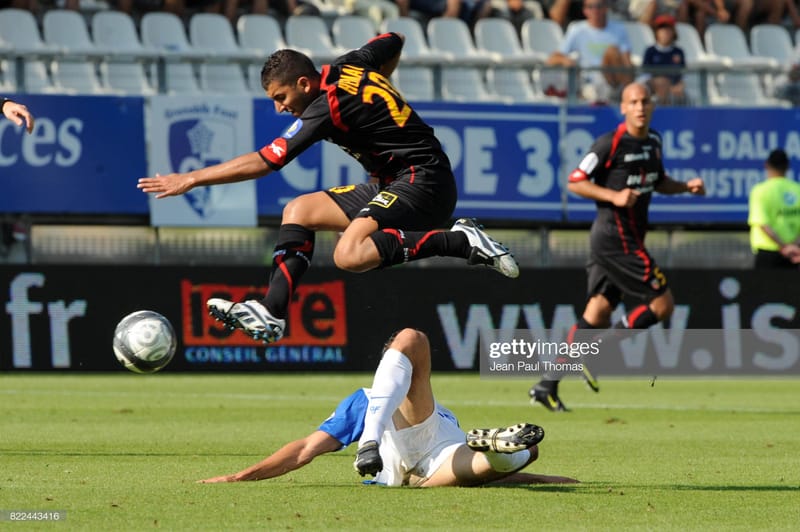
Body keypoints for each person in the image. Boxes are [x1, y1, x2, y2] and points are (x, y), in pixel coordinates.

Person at [138, 33, 518, 345]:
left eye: (281, 98)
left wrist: (191, 178)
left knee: (349, 254)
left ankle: (460, 241)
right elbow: (393, 39)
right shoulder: (350, 65)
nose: (280, 109)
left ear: (304, 84)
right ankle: (272, 309)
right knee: (299, 211)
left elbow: (267, 160)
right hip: (398, 181)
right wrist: (382, 84)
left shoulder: (326, 105)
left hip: (424, 180)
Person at [200, 328, 577, 487]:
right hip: (412, 445)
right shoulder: (365, 399)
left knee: (521, 452)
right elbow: (304, 450)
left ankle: (499, 447)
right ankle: (370, 439)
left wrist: (544, 478)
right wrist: (240, 476)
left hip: (434, 466)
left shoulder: (428, 407)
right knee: (413, 337)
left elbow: (304, 450)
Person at [529, 82, 706, 411]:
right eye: (633, 101)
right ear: (623, 107)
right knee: (663, 303)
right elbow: (576, 180)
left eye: (645, 101)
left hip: (624, 238)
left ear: (652, 105)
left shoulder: (654, 141)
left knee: (597, 313)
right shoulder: (610, 143)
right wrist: (614, 196)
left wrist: (685, 187)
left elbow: (658, 180)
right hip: (616, 238)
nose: (640, 107)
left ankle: (546, 385)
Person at [545, 0, 635, 103]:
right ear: (585, 10)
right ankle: (628, 95)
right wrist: (566, 60)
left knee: (613, 53)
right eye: (590, 7)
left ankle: (627, 94)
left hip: (615, 79)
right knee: (612, 52)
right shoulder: (577, 30)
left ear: (606, 8)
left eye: (598, 6)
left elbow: (626, 60)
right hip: (589, 82)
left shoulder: (619, 29)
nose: (595, 10)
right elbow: (553, 58)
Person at [747, 148, 800, 269]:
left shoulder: (760, 190)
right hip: (795, 253)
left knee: (767, 288)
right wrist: (793, 245)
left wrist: (784, 247)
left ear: (767, 165)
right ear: (787, 167)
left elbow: (762, 223)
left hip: (769, 253)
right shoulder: (797, 190)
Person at [642, 14, 687, 105]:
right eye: (661, 28)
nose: (665, 32)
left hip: (675, 88)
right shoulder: (650, 51)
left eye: (668, 28)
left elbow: (683, 73)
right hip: (654, 87)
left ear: (673, 32)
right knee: (662, 82)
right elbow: (645, 74)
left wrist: (680, 84)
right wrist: (662, 84)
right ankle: (663, 110)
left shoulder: (678, 52)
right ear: (656, 32)